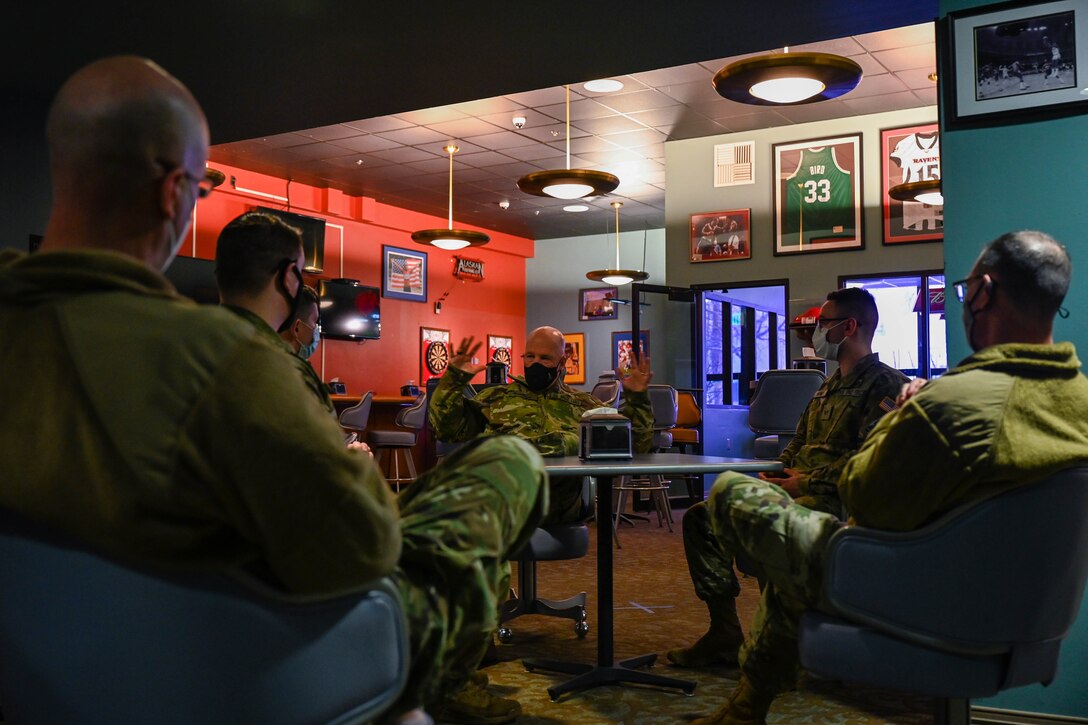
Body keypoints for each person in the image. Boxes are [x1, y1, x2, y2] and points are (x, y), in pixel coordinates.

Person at [0, 55, 547, 725]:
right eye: (201, 189)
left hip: (55, 663)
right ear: (173, 192)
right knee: (509, 461)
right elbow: (363, 549)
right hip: (254, 663)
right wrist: (356, 473)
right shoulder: (220, 356)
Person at [692, 230, 1088, 725]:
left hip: (919, 593)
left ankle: (747, 703)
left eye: (964, 292)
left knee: (734, 493)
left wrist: (905, 418)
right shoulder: (1080, 402)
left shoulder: (948, 403)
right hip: (1027, 614)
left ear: (984, 292)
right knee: (797, 551)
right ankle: (746, 706)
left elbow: (866, 497)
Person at [667, 287, 907, 669]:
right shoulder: (826, 385)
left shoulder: (887, 386)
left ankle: (781, 642)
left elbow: (872, 463)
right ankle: (725, 633)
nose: (815, 333)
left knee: (765, 522)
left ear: (849, 326)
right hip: (793, 489)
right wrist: (774, 471)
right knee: (703, 516)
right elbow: (798, 443)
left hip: (835, 500)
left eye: (823, 324)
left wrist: (802, 484)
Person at [429, 326, 655, 524]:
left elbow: (635, 446)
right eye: (529, 356)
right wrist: (452, 381)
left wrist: (638, 399)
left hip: (558, 507)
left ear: (561, 363)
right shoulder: (495, 399)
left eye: (545, 358)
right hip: (502, 504)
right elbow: (447, 429)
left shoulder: (584, 406)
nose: (535, 363)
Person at [214, 211, 334, 416]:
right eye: (301, 272)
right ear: (288, 276)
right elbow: (319, 448)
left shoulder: (178, 342)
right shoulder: (286, 373)